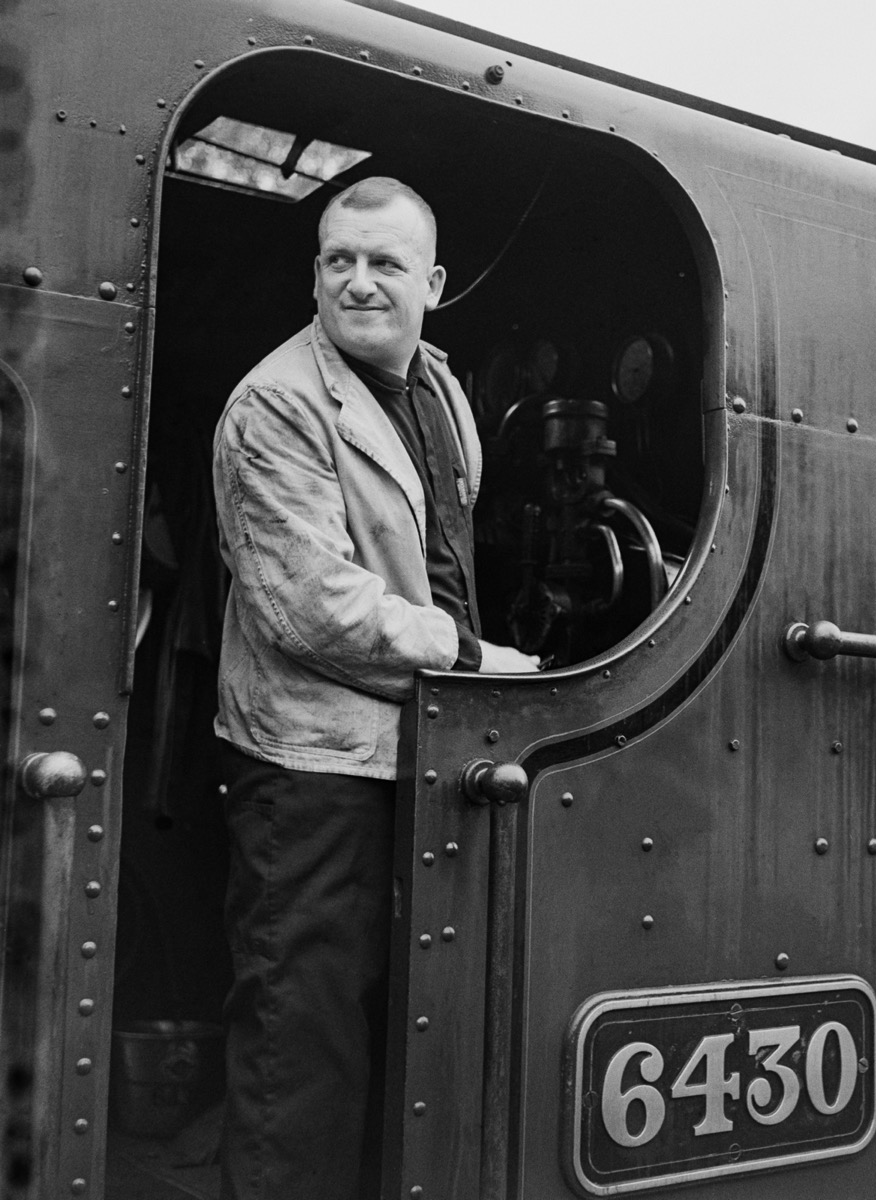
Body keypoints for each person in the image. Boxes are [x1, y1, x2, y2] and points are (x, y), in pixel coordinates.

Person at [211, 176, 537, 1200]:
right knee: (299, 1054)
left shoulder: (439, 387)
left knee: (399, 1040)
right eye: (338, 260)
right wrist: (473, 658)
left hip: (423, 750)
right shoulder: (276, 404)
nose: (359, 281)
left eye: (384, 263)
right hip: (314, 770)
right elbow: (309, 607)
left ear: (431, 283)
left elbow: (445, 549)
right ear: (314, 272)